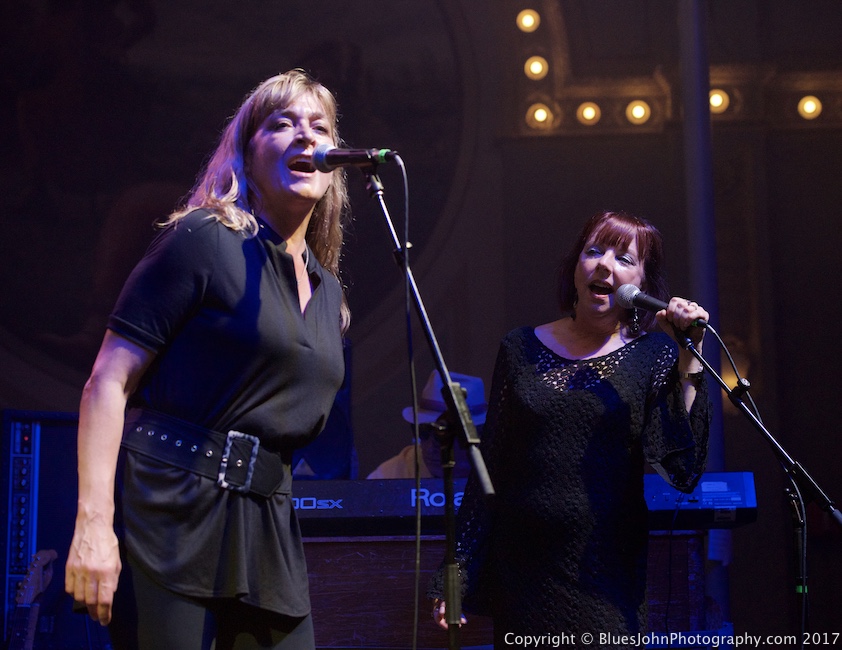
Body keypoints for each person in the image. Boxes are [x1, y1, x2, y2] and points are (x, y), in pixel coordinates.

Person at [64, 69, 351, 649]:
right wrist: (93, 526)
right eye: (282, 124)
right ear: (247, 152)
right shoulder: (202, 239)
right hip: (171, 510)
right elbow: (108, 381)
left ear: (335, 161)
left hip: (267, 528)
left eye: (318, 128)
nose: (304, 137)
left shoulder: (330, 295)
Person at [429, 210, 711, 648]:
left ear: (643, 284)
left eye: (624, 258)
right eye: (593, 251)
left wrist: (689, 355)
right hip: (523, 571)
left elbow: (680, 465)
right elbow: (491, 467)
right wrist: (458, 570)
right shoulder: (520, 347)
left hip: (605, 573)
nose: (604, 265)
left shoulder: (652, 354)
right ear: (575, 267)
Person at [366, 370, 487, 480]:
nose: (430, 447)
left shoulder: (500, 470)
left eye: (442, 434)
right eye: (423, 432)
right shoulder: (397, 471)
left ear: (476, 436)